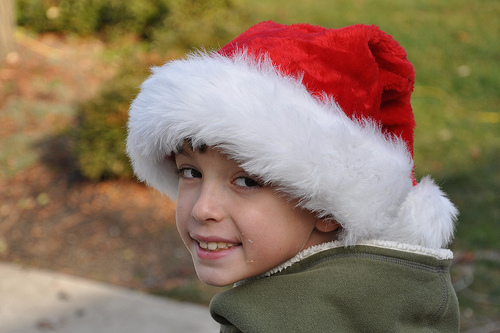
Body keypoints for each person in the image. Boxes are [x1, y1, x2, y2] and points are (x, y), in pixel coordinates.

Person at [126, 21, 460, 332]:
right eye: (190, 172)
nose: (202, 209)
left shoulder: (267, 322)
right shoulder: (397, 301)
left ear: (328, 209)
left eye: (246, 181)